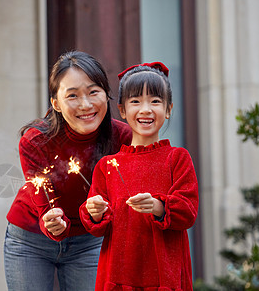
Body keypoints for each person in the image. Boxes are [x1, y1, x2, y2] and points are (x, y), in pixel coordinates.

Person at [4, 51, 132, 291]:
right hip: (30, 241)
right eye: (72, 95)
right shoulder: (35, 141)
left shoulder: (123, 138)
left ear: (106, 94)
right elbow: (45, 207)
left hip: (90, 241)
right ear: (56, 104)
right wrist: (52, 221)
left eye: (93, 92)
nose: (85, 105)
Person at [80, 62, 199, 291]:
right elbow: (96, 225)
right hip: (118, 275)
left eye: (155, 101)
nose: (145, 109)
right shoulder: (107, 166)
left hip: (166, 277)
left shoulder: (177, 158)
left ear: (168, 109)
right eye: (136, 101)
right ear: (123, 110)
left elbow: (188, 211)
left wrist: (159, 206)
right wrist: (94, 211)